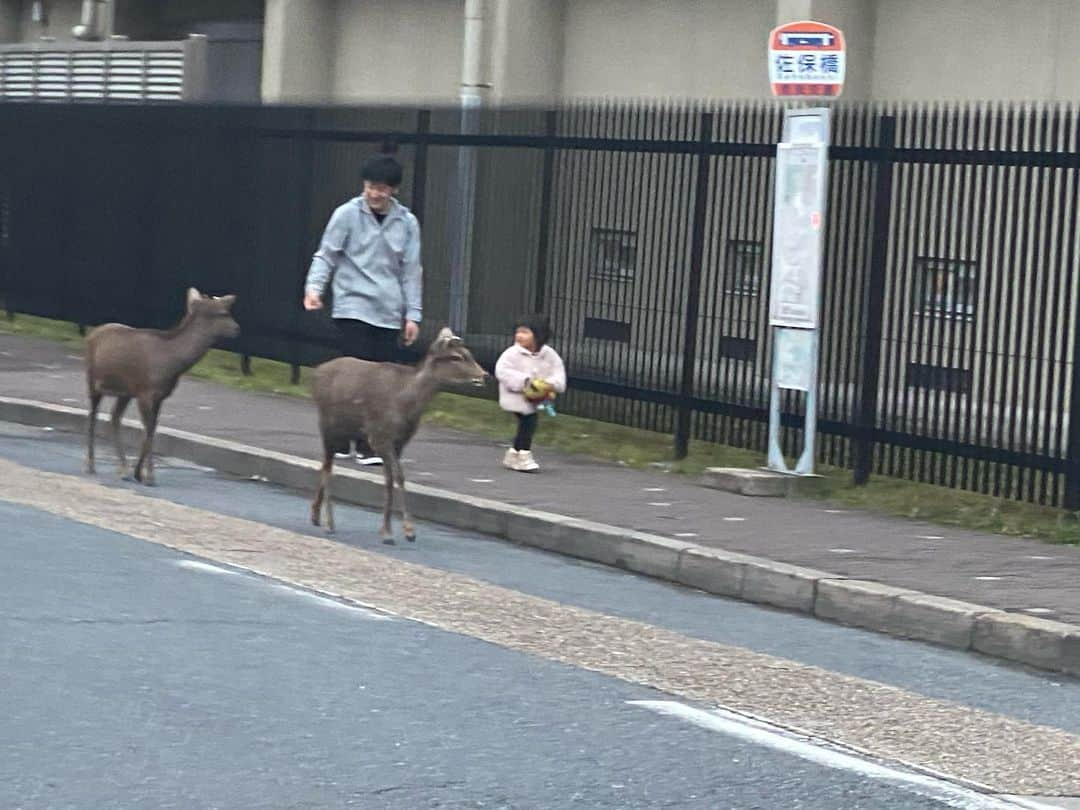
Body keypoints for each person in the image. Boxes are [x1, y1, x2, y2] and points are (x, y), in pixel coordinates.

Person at [303, 153, 422, 465]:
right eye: (371, 186)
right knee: (355, 374)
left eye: (382, 188)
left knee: (382, 380)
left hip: (387, 307)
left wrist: (413, 314)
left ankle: (371, 442)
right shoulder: (347, 214)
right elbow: (326, 254)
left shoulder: (406, 223)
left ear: (393, 190)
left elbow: (411, 270)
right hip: (352, 304)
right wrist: (314, 288)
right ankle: (344, 439)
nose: (375, 194)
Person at [494, 314, 566, 473]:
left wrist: (549, 384)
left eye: (525, 332)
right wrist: (525, 382)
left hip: (537, 398)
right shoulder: (511, 353)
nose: (519, 336)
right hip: (515, 397)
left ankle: (513, 454)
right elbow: (502, 371)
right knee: (529, 421)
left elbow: (558, 373)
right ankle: (524, 455)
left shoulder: (549, 354)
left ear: (538, 335)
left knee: (527, 423)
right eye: (518, 332)